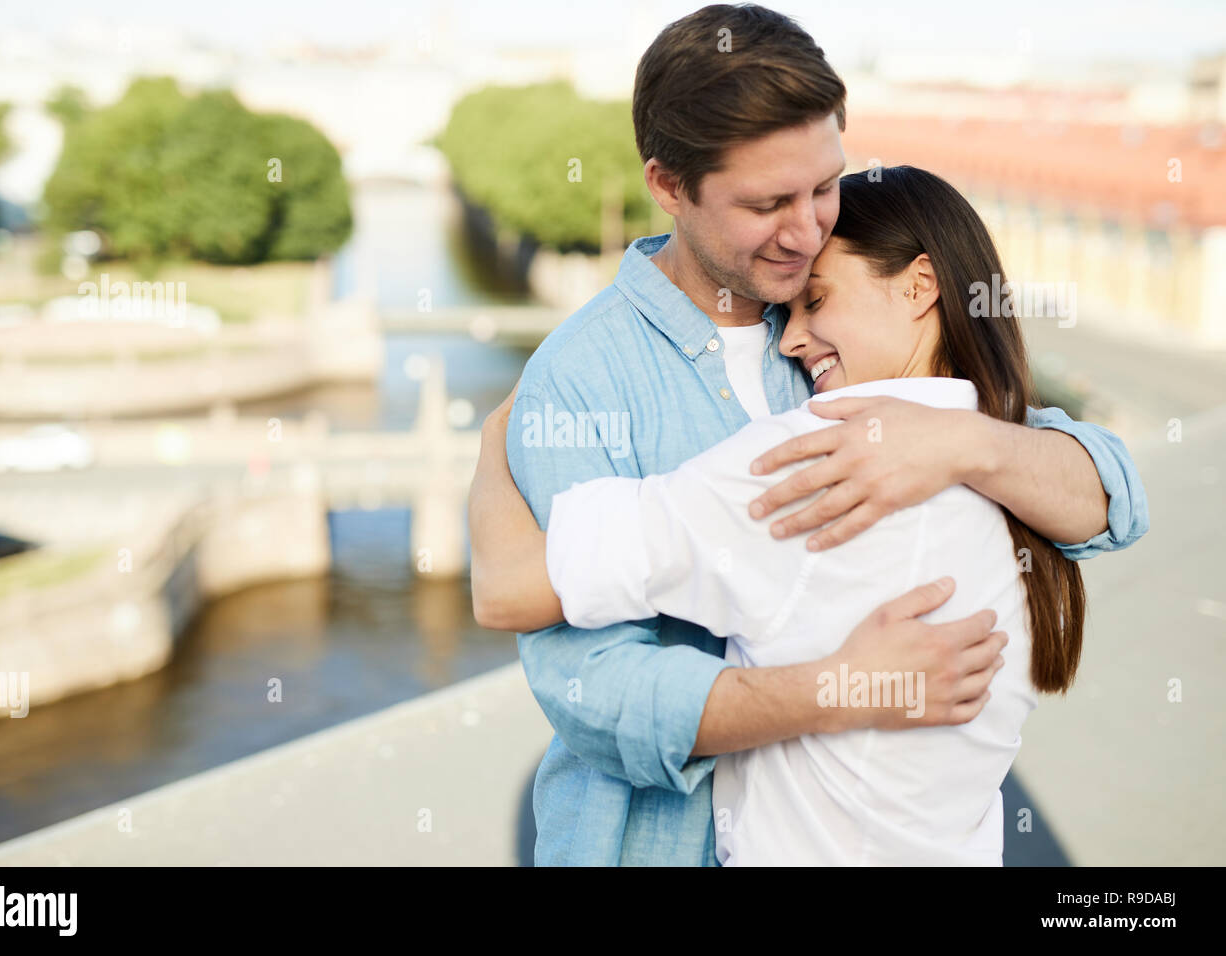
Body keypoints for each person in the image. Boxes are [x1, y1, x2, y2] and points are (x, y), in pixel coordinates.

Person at [469, 4, 1149, 867]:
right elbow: (592, 692)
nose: (806, 229)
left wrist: (965, 447)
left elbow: (1110, 496)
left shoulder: (850, 332)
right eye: (767, 202)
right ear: (669, 186)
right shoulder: (582, 377)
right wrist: (848, 689)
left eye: (823, 186)